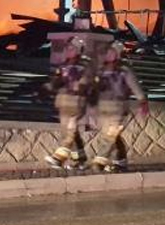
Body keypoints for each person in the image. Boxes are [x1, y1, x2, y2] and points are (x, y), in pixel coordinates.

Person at [92, 41, 146, 173]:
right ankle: (121, 162)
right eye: (108, 52)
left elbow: (136, 88)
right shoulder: (101, 71)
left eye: (113, 52)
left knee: (110, 135)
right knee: (113, 136)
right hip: (103, 108)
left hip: (118, 109)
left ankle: (99, 162)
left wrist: (142, 102)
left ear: (118, 54)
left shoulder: (124, 71)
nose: (109, 55)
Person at [43, 37, 93, 170]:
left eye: (71, 48)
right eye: (67, 48)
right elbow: (57, 81)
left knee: (70, 131)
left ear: (79, 50)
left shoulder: (85, 66)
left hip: (76, 103)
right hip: (63, 102)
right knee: (70, 132)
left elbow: (87, 81)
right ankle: (80, 160)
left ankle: (58, 159)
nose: (68, 50)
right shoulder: (64, 65)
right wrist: (49, 87)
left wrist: (79, 85)